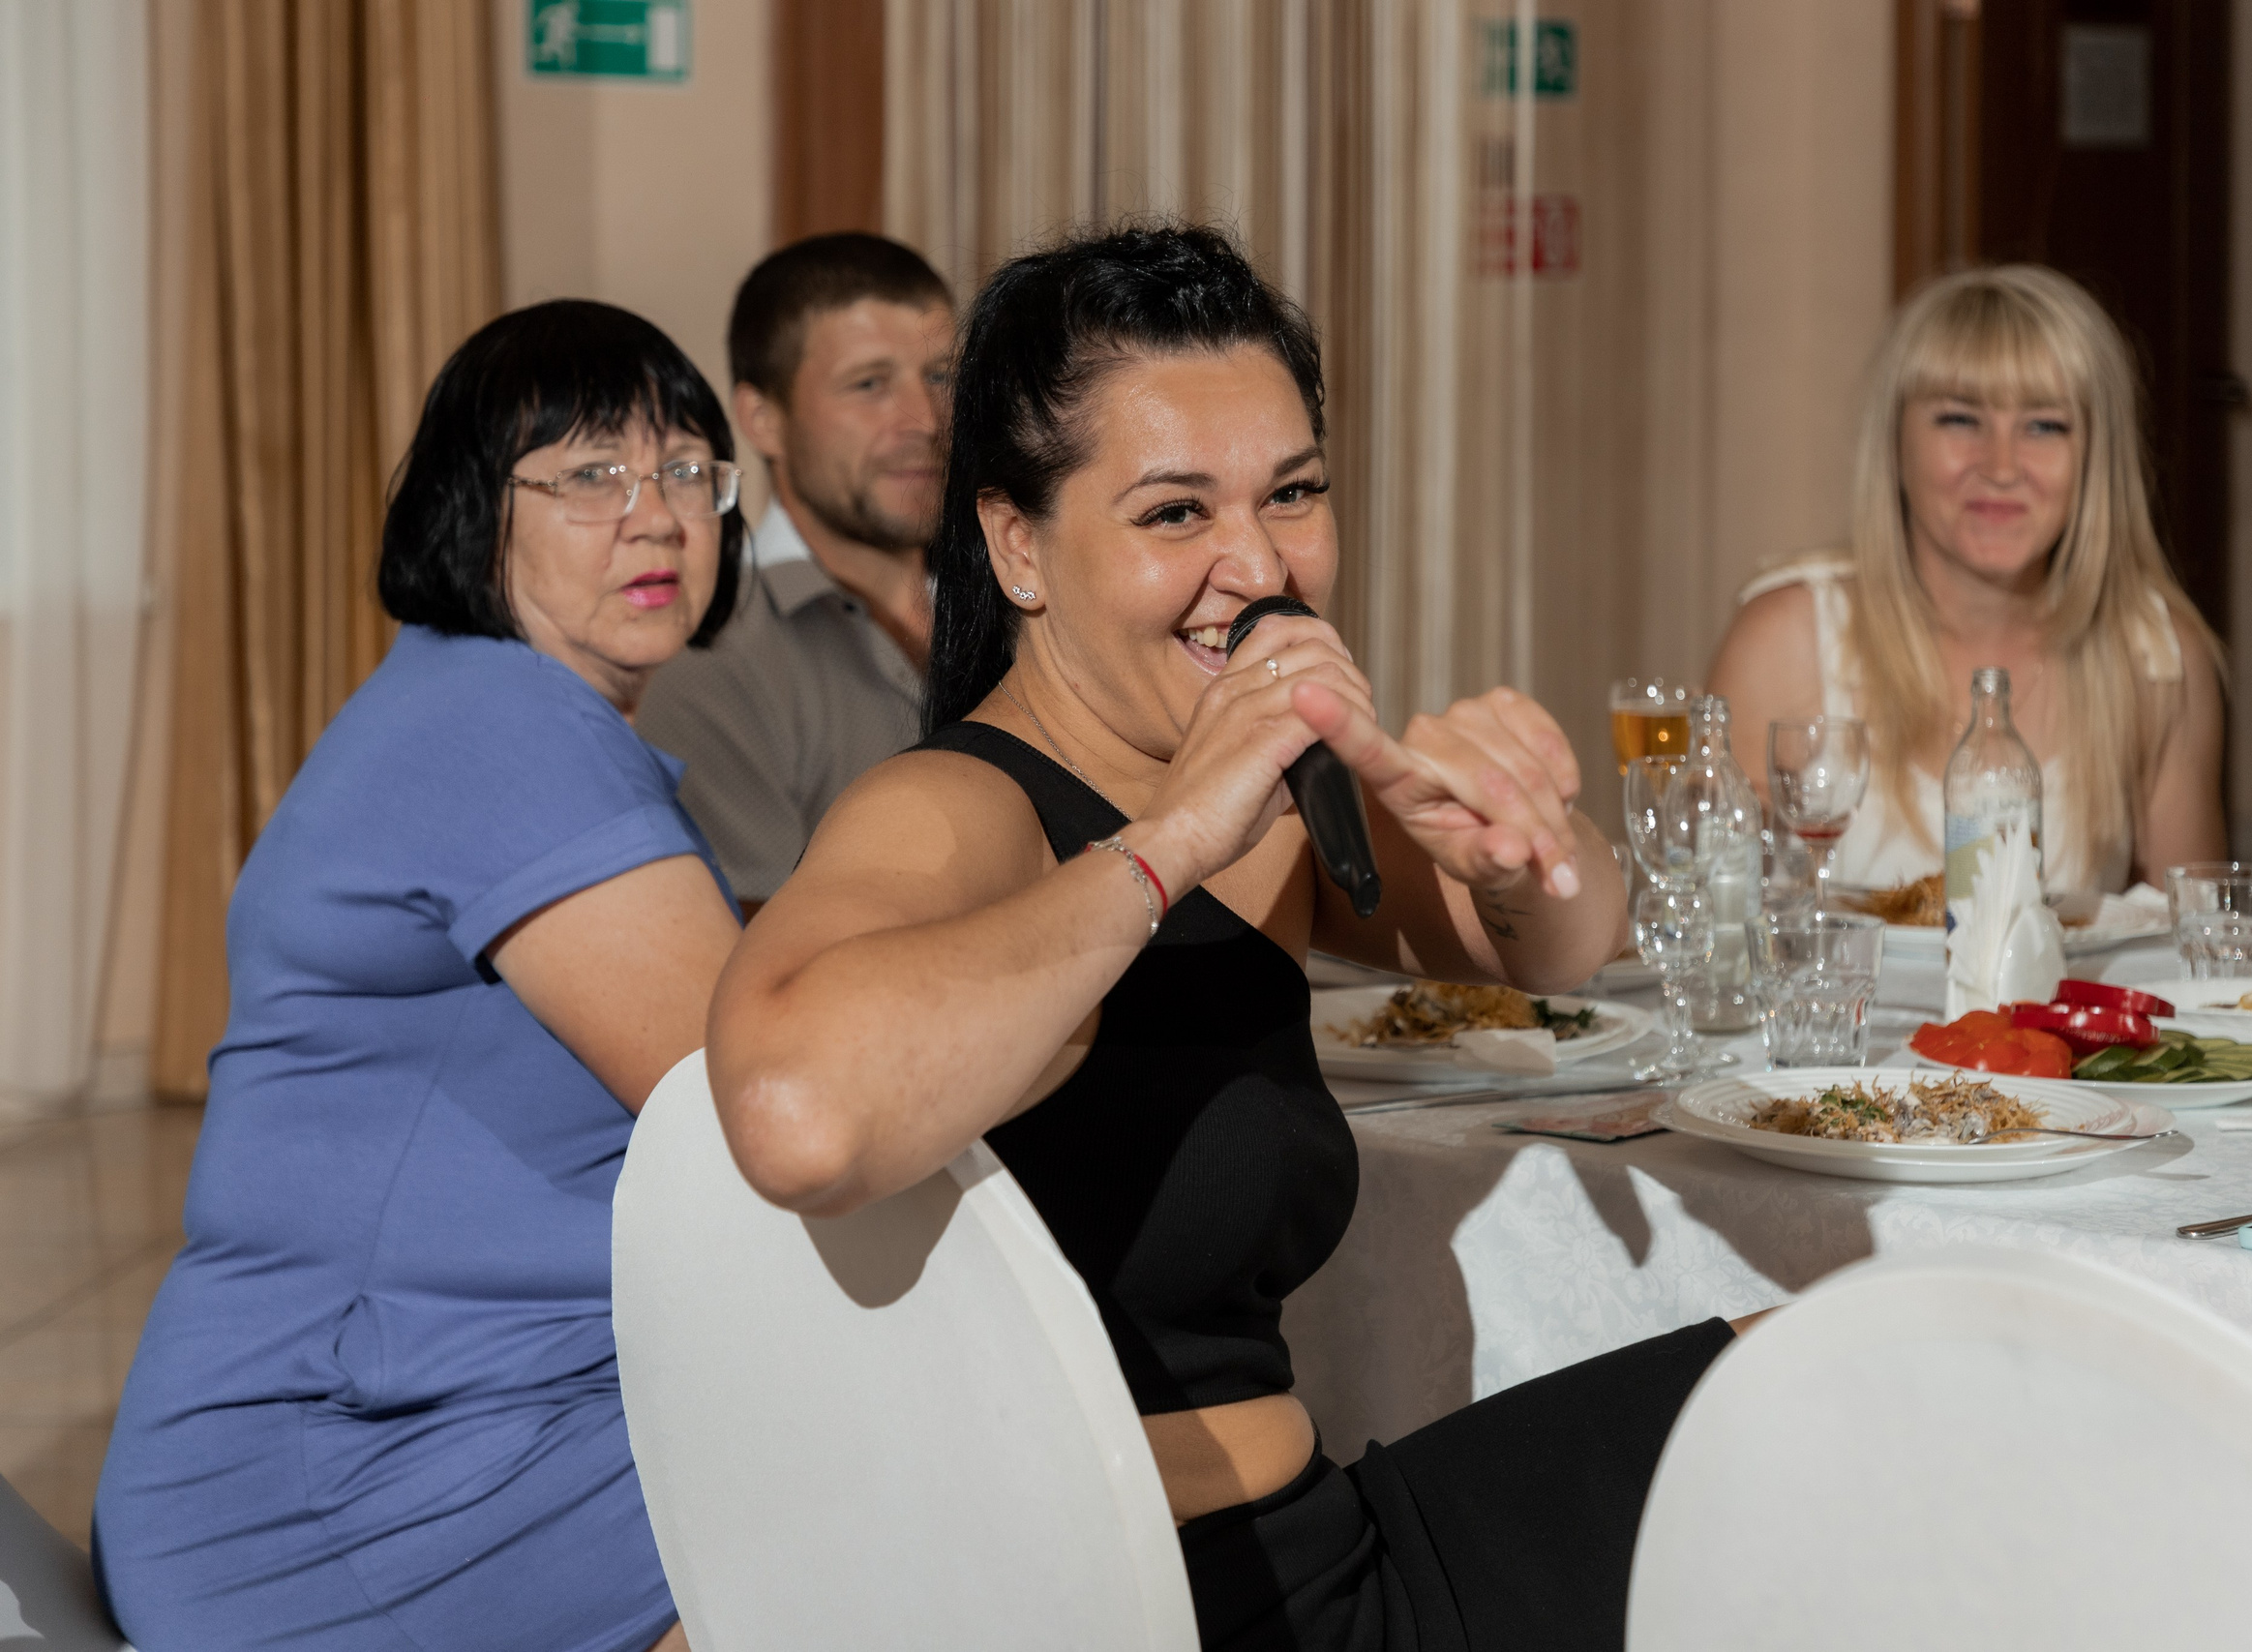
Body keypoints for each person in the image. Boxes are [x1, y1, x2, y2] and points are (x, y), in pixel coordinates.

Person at [704, 224, 1745, 1652]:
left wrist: (1522, 836)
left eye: (1292, 494)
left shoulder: (1269, 796)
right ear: (1017, 545)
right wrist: (1172, 839)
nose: (1256, 564)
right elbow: (795, 1117)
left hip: (1306, 1555)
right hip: (1153, 1606)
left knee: (1846, 1376)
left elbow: (1559, 948)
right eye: (1175, 513)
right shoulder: (961, 804)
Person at [94, 301, 747, 1652]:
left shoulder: (490, 706)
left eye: (687, 470)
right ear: (476, 509)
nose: (658, 518)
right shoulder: (505, 725)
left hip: (441, 1418)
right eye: (593, 474)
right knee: (897, 1484)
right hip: (344, 1484)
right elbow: (760, 1100)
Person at [1705, 263, 2227, 897]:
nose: (2002, 467)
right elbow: (1712, 916)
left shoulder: (2158, 658)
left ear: (2095, 458)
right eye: (1960, 419)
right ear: (1895, 443)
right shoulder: (1787, 638)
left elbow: (2192, 937)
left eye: (2045, 425)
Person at [635, 232, 954, 913]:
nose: (926, 420)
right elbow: (765, 961)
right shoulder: (712, 657)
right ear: (763, 420)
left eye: (940, 376)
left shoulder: (1024, 596)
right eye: (870, 384)